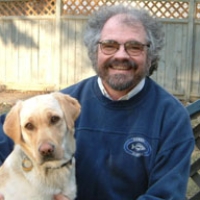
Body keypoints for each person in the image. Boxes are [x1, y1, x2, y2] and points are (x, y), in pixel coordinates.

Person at [0, 4, 195, 200]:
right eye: (109, 45)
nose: (121, 55)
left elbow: (164, 196)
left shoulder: (171, 118)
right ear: (95, 52)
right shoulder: (60, 108)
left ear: (150, 55)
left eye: (134, 47)